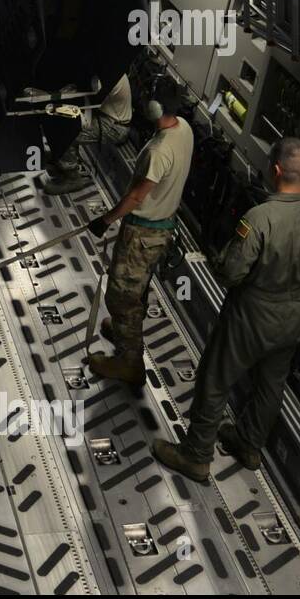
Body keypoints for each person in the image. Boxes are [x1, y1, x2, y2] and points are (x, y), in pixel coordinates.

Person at [154, 138, 300, 482]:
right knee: (271, 385)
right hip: (293, 315)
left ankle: (196, 455)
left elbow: (230, 272)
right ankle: (249, 445)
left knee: (216, 376)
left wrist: (221, 260)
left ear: (277, 170)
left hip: (250, 314)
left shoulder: (260, 218)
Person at [83, 76, 194, 386]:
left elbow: (135, 197)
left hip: (144, 233)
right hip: (162, 227)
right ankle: (122, 329)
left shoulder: (159, 151)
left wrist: (105, 220)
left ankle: (129, 362)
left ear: (155, 107)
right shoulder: (183, 130)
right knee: (138, 288)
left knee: (122, 296)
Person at [42, 75, 133, 195]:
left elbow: (88, 96)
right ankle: (61, 156)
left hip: (114, 127)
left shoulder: (109, 78)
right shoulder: (109, 69)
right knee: (59, 115)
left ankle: (73, 178)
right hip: (103, 115)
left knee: (68, 132)